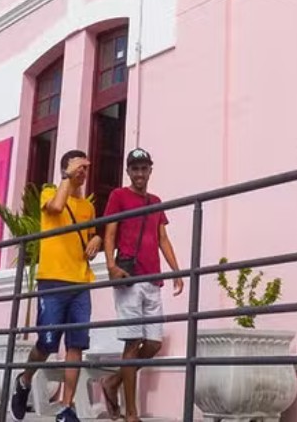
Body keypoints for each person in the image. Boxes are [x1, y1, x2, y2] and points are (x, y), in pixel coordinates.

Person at [10, 150, 102, 422]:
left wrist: (95, 239)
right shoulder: (50, 192)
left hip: (80, 282)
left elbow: (88, 237)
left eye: (86, 167)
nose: (84, 172)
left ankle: (65, 407)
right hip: (52, 280)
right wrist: (67, 177)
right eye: (79, 167)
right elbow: (56, 209)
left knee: (77, 345)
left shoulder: (88, 207)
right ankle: (24, 381)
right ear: (66, 169)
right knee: (47, 344)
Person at [101, 148, 182, 422]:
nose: (139, 173)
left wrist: (177, 271)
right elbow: (110, 231)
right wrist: (111, 266)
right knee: (133, 343)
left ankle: (112, 382)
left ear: (150, 170)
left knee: (153, 343)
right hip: (129, 277)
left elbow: (163, 238)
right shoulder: (118, 196)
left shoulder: (155, 201)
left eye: (143, 168)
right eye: (134, 169)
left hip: (153, 278)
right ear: (128, 171)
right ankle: (131, 413)